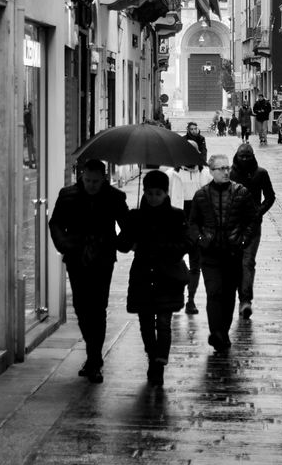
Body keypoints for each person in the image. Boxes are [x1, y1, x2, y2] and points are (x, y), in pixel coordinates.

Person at [49, 157, 129, 383]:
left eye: (96, 181)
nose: (92, 185)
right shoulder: (68, 195)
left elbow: (126, 226)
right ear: (82, 176)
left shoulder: (114, 197)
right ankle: (93, 353)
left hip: (103, 258)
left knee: (98, 307)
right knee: (81, 307)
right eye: (88, 180)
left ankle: (94, 358)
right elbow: (55, 223)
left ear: (103, 178)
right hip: (77, 256)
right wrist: (64, 244)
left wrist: (121, 242)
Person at [117, 170, 190, 386]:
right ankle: (153, 357)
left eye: (157, 193)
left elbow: (185, 244)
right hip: (143, 276)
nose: (153, 198)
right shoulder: (136, 216)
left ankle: (160, 361)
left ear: (166, 193)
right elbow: (121, 243)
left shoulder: (176, 216)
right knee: (146, 322)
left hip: (168, 277)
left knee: (165, 322)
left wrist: (160, 248)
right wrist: (132, 241)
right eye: (149, 193)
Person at [188, 152, 260, 351]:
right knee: (214, 293)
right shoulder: (201, 195)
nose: (226, 172)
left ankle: (223, 332)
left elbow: (252, 219)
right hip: (210, 254)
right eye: (221, 169)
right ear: (211, 171)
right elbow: (193, 222)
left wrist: (243, 240)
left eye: (228, 168)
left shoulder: (241, 192)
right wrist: (201, 239)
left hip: (232, 253)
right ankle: (215, 332)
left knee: (228, 295)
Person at [230, 143, 275, 319]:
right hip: (233, 226)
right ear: (237, 156)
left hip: (253, 226)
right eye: (242, 156)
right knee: (235, 264)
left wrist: (259, 211)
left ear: (253, 156)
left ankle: (245, 301)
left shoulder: (261, 173)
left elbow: (270, 197)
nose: (245, 159)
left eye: (248, 156)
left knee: (247, 262)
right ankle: (239, 297)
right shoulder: (230, 174)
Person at [168, 143, 212, 315]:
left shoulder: (206, 175)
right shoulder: (171, 175)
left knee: (196, 266)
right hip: (178, 226)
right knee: (174, 263)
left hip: (198, 227)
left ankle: (191, 300)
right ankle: (175, 294)